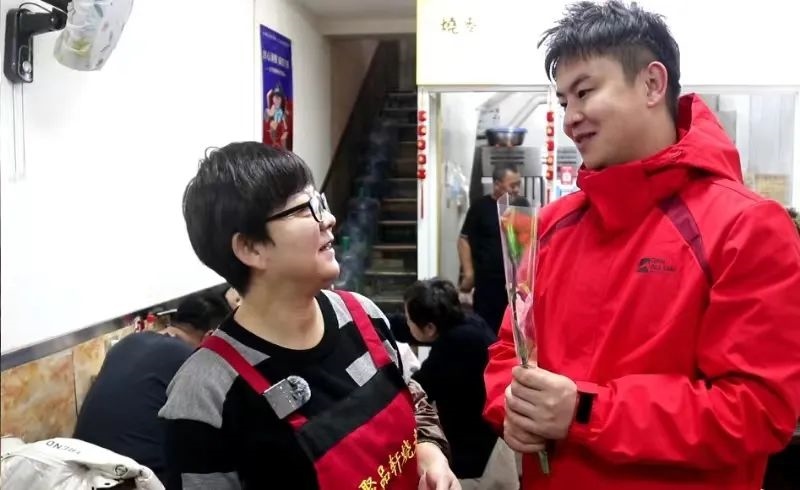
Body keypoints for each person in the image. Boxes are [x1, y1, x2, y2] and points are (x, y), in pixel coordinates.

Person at [483, 2, 800, 490]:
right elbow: (511, 351)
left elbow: (758, 409)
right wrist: (513, 405)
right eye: (563, 101)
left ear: (652, 84)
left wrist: (584, 411)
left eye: (584, 92)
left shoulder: (746, 226)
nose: (571, 118)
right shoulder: (550, 226)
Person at [161, 142, 458, 490]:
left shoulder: (362, 316)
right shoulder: (206, 393)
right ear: (251, 247)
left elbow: (415, 401)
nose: (328, 219)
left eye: (320, 203)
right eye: (304, 209)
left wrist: (430, 453)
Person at [73, 292, 230, 484]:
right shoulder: (192, 361)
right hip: (137, 478)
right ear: (211, 336)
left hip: (80, 465)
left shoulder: (128, 342)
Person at [390, 279, 516, 489]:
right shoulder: (467, 322)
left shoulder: (455, 345)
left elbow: (419, 391)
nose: (407, 323)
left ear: (430, 327)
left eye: (410, 319)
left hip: (479, 459)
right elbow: (409, 329)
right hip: (490, 440)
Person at [458, 164, 523, 334]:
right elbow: (464, 239)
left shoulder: (522, 206)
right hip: (487, 284)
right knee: (487, 329)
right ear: (497, 185)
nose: (516, 190)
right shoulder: (480, 207)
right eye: (512, 185)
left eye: (518, 184)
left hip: (516, 285)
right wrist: (469, 273)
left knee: (514, 330)